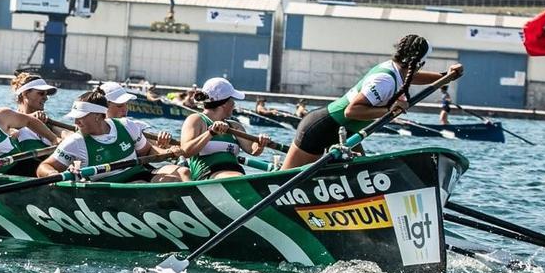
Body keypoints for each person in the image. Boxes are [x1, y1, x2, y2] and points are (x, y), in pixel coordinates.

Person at [282, 34, 464, 169]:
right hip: (320, 129)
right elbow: (351, 111)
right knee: (283, 182)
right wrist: (389, 109)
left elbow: (413, 77)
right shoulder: (385, 80)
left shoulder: (398, 71)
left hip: (344, 133)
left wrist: (445, 77)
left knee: (362, 172)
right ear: (419, 62)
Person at [38, 89, 183, 182]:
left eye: (80, 117)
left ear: (97, 116)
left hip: (139, 174)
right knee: (142, 184)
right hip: (111, 187)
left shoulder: (126, 125)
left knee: (183, 172)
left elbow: (147, 152)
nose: (76, 122)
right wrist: (52, 175)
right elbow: (44, 166)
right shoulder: (75, 142)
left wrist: (167, 152)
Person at [179, 77, 271, 180]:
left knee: (238, 177)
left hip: (236, 172)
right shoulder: (196, 120)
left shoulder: (235, 126)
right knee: (237, 178)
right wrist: (211, 133)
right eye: (232, 99)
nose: (234, 104)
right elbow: (185, 151)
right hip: (206, 174)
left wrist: (260, 143)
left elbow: (252, 150)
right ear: (224, 103)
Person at [102, 81, 191, 182]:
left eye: (126, 104)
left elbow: (148, 150)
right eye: (119, 106)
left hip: (137, 171)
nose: (125, 109)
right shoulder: (85, 131)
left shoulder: (129, 125)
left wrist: (168, 151)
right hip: (113, 180)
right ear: (103, 107)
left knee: (183, 172)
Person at [9, 71, 59, 151]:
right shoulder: (8, 121)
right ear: (25, 93)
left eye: (46, 94)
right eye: (41, 93)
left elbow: (66, 134)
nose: (46, 98)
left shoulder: (47, 123)